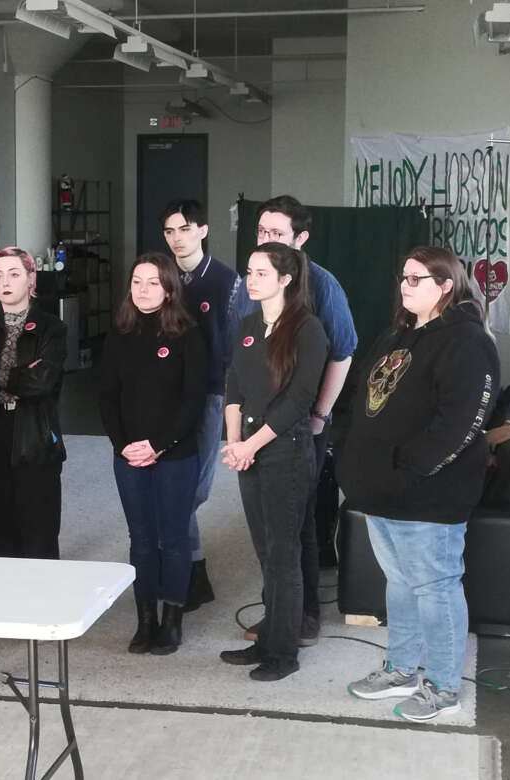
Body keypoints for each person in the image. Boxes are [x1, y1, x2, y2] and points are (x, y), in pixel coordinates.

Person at [341, 247, 497, 721]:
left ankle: (445, 686)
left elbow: (464, 420)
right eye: (403, 277)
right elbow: (363, 397)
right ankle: (402, 668)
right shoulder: (399, 333)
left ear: (445, 285)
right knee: (400, 582)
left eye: (417, 278)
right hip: (381, 488)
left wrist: (411, 468)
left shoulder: (467, 341)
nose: (406, 286)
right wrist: (354, 457)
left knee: (435, 586)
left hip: (428, 492)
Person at [229, 195, 357, 647]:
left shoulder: (322, 287)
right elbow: (238, 365)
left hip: (300, 424)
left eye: (276, 234)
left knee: (296, 524)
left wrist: (318, 415)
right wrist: (236, 436)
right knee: (268, 529)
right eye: (261, 232)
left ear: (300, 240)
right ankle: (278, 613)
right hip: (252, 427)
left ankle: (300, 619)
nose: (266, 240)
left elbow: (342, 352)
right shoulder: (247, 285)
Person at [219, 243, 328, 681]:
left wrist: (251, 444)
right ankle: (267, 639)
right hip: (248, 449)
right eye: (249, 271)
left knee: (285, 555)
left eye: (262, 273)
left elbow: (299, 400)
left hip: (284, 450)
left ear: (286, 279)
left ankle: (283, 653)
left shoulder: (308, 329)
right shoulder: (247, 324)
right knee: (265, 551)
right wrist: (233, 441)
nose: (252, 279)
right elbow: (233, 385)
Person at [100, 253, 207, 656]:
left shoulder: (188, 335)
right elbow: (107, 396)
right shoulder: (119, 334)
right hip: (128, 455)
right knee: (141, 540)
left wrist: (159, 444)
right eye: (136, 282)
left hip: (176, 454)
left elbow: (192, 400)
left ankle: (172, 620)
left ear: (168, 289)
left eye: (152, 283)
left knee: (174, 538)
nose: (143, 290)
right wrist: (122, 443)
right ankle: (145, 620)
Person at [161, 199, 238, 612]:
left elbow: (233, 347)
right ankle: (187, 570)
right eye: (170, 231)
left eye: (185, 229)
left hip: (209, 393)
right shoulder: (162, 275)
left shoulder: (225, 280)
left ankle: (189, 568)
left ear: (203, 230)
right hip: (165, 392)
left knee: (194, 488)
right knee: (169, 480)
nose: (178, 238)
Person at [0, 246, 67, 560]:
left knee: (38, 530)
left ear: (31, 279)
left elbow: (41, 382)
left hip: (34, 431)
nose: (6, 282)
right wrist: (17, 375)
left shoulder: (52, 328)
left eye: (14, 274)